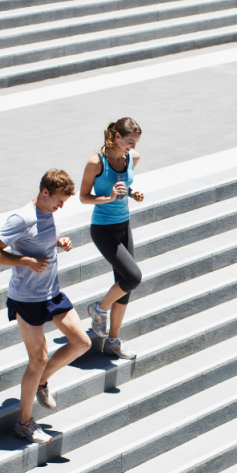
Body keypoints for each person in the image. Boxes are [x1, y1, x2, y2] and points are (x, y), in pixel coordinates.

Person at [0, 169, 92, 444]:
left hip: (51, 293)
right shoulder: (21, 218)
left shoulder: (47, 213)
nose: (61, 206)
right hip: (26, 298)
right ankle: (23, 423)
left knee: (81, 342)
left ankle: (41, 382)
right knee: (39, 358)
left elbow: (38, 239)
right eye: (59, 200)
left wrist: (59, 242)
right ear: (45, 192)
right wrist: (26, 262)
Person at [80, 117, 146, 359]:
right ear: (116, 137)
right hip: (103, 228)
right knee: (133, 277)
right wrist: (108, 197)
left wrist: (131, 193)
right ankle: (98, 308)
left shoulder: (132, 158)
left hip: (124, 225)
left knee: (125, 286)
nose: (133, 147)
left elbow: (122, 185)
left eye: (135, 143)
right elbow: (84, 197)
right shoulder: (96, 162)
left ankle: (113, 341)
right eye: (130, 142)